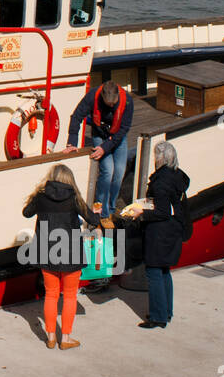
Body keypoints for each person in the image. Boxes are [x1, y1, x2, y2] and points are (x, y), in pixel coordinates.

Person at [21, 164, 104, 349]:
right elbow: (93, 220)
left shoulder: (41, 196)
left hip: (47, 251)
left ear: (51, 177)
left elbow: (26, 213)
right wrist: (96, 214)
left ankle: (50, 336)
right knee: (69, 296)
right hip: (71, 253)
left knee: (50, 295)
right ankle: (65, 339)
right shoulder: (74, 197)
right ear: (69, 179)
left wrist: (36, 196)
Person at [118, 141, 191, 328]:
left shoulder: (162, 182)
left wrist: (141, 213)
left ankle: (158, 317)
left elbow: (162, 212)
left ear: (160, 158)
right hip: (173, 230)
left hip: (160, 234)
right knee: (165, 271)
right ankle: (166, 311)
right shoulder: (177, 177)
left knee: (154, 272)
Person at [66, 81, 133, 218]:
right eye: (109, 105)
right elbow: (77, 116)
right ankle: (101, 211)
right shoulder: (92, 96)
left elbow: (124, 128)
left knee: (119, 172)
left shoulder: (127, 101)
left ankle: (111, 207)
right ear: (102, 97)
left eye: (114, 104)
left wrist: (106, 147)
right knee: (108, 171)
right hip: (100, 135)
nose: (112, 107)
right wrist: (72, 142)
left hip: (118, 136)